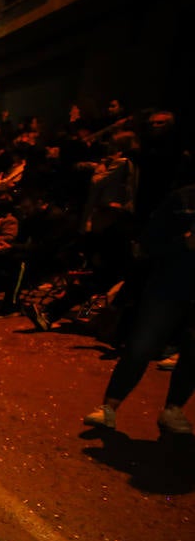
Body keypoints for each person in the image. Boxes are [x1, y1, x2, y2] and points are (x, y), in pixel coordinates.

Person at [83, 181, 195, 434]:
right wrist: (183, 243)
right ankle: (109, 407)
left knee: (193, 352)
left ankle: (173, 409)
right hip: (168, 286)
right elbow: (148, 243)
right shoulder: (182, 199)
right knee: (141, 346)